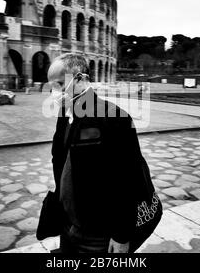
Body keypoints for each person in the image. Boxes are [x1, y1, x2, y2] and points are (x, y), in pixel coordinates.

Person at [47, 53, 148, 254]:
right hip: (68, 225)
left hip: (99, 235)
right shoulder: (64, 114)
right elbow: (59, 160)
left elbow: (130, 178)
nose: (53, 92)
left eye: (59, 85)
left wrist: (121, 235)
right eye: (51, 86)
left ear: (80, 80)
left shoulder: (115, 118)